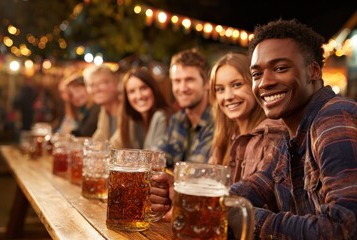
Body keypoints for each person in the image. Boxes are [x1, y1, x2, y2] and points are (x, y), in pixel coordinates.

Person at [151, 19, 357, 239]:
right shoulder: (290, 131)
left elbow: (344, 229)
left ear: (313, 71)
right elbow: (258, 185)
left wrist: (244, 216)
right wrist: (188, 195)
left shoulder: (333, 119)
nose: (265, 83)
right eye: (257, 74)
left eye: (280, 68)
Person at [208, 52, 287, 182]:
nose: (228, 96)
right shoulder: (225, 135)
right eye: (220, 89)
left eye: (237, 85)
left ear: (254, 84)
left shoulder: (272, 133)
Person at [157, 48, 214, 169]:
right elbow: (157, 160)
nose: (182, 88)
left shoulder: (217, 121)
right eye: (177, 81)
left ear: (207, 83)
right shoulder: (177, 119)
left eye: (189, 80)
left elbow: (193, 173)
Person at [113, 67, 173, 149]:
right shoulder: (132, 120)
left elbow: (156, 157)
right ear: (127, 97)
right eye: (132, 91)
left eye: (143, 88)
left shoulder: (161, 116)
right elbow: (111, 146)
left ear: (153, 89)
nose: (139, 96)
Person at [83, 64, 121, 144]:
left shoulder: (128, 110)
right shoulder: (104, 110)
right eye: (91, 85)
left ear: (116, 83)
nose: (96, 89)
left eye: (102, 83)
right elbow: (98, 139)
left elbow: (117, 145)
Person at [65, 73, 100, 137]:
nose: (75, 96)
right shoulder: (84, 111)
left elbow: (84, 134)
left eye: (78, 90)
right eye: (71, 95)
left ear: (88, 87)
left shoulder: (97, 109)